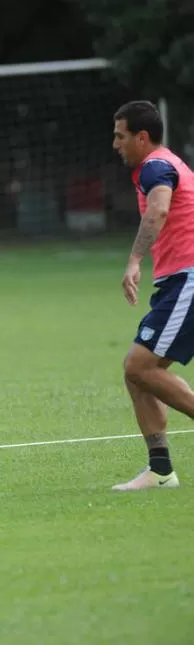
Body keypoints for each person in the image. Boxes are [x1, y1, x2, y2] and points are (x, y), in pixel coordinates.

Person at [112, 99, 194, 490]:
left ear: (142, 137)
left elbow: (158, 210)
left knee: (139, 366)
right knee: (137, 372)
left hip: (189, 279)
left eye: (120, 135)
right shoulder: (164, 163)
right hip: (178, 282)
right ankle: (160, 470)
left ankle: (161, 472)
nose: (116, 143)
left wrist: (133, 260)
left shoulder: (156, 167)